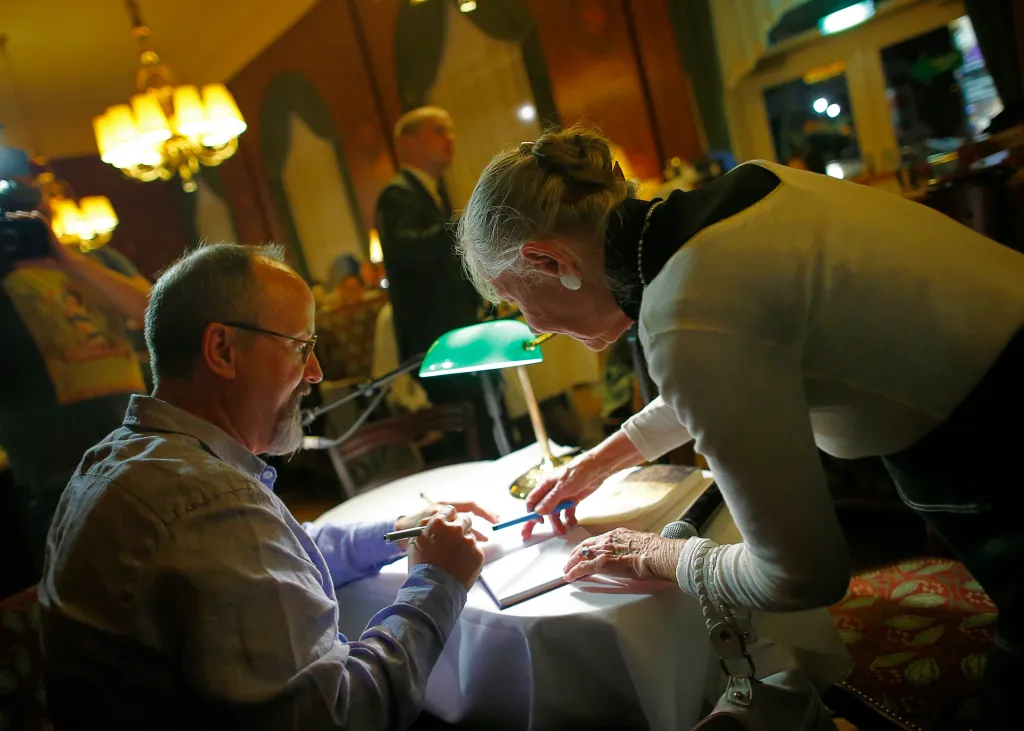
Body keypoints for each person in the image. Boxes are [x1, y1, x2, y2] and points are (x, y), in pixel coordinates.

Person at [455, 127, 1023, 729]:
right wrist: (599, 462)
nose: (532, 323)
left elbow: (800, 575)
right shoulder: (745, 193)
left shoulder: (685, 311)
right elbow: (736, 356)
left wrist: (656, 552)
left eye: (517, 303)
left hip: (996, 451)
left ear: (552, 261)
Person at [39, 242, 496, 729]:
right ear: (222, 350)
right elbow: (345, 715)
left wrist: (399, 529)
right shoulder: (209, 506)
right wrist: (437, 583)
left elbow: (275, 554)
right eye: (302, 346)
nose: (316, 372)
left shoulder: (122, 458)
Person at [0, 207, 150, 577]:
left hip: (143, 451)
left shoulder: (96, 261)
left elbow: (155, 311)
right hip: (60, 474)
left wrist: (70, 261)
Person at [375, 106, 496, 457]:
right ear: (407, 144)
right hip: (436, 337)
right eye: (438, 130)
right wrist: (464, 222)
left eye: (451, 131)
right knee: (464, 433)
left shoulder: (430, 192)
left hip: (455, 330)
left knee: (478, 422)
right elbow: (409, 254)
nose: (450, 138)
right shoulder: (396, 195)